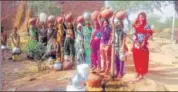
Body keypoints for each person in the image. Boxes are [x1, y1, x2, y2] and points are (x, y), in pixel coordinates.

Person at [132, 12, 153, 80]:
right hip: (136, 43)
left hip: (143, 43)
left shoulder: (147, 25)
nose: (141, 18)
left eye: (142, 17)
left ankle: (141, 73)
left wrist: (144, 42)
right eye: (140, 17)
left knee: (142, 59)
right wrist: (136, 41)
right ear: (138, 17)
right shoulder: (136, 25)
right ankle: (138, 71)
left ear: (145, 18)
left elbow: (148, 35)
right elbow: (134, 33)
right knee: (136, 58)